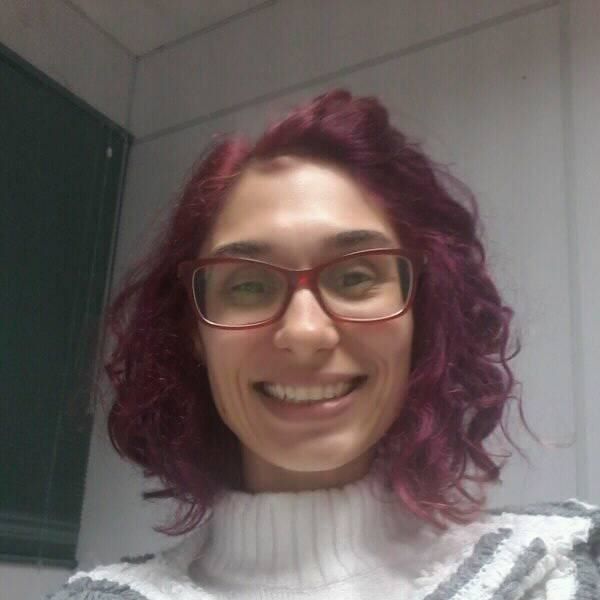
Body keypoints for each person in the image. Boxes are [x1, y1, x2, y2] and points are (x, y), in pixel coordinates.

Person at [47, 90, 599, 599]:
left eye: (356, 276)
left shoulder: (563, 569)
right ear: (195, 331)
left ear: (420, 313)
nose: (306, 334)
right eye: (248, 285)